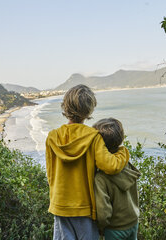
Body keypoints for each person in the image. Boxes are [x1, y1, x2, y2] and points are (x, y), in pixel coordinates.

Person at [45, 84, 130, 240]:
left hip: (60, 204)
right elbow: (111, 166)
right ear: (89, 110)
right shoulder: (93, 136)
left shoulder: (52, 137)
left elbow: (50, 175)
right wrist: (123, 152)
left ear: (65, 106)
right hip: (84, 208)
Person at [93, 118, 140, 240]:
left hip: (114, 229)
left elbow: (103, 212)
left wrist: (100, 227)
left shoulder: (101, 178)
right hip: (133, 222)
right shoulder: (126, 163)